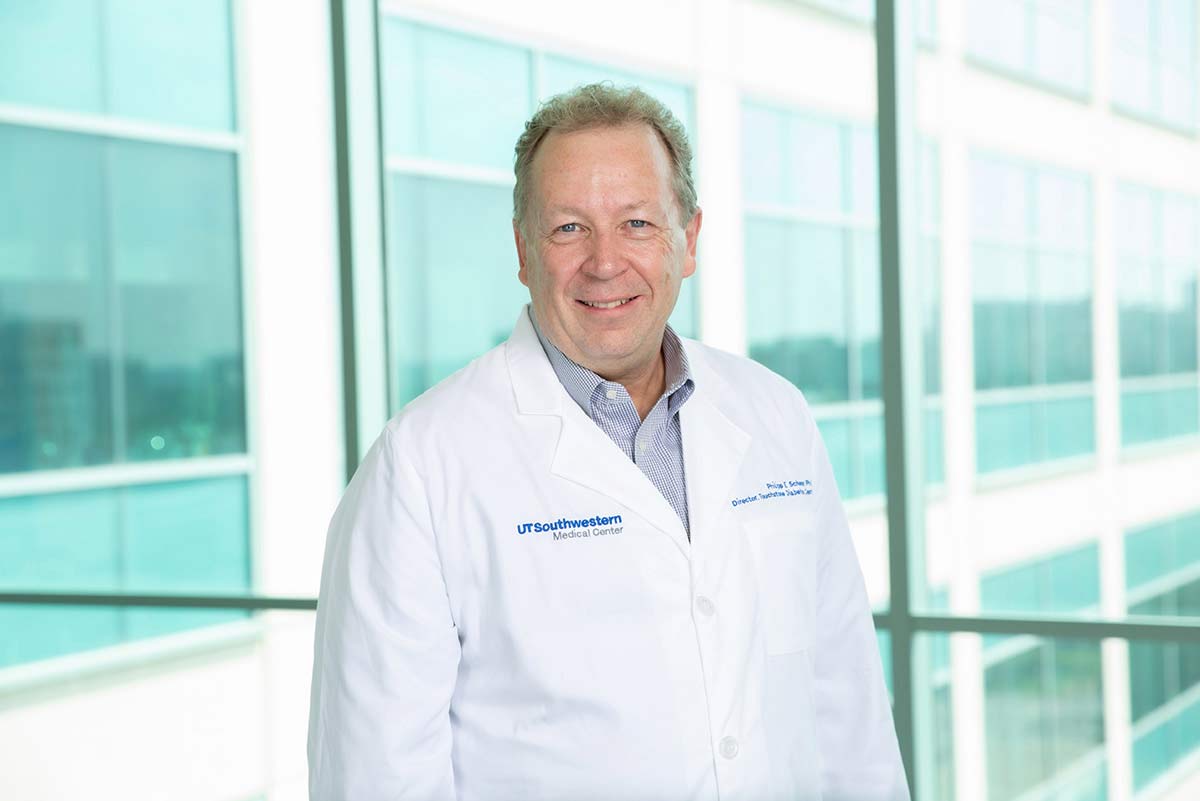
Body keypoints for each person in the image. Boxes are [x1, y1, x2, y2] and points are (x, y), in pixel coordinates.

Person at [308, 83, 908, 801]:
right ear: (523, 249)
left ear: (687, 240)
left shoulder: (777, 415)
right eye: (568, 228)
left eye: (636, 223)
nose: (603, 262)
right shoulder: (421, 466)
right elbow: (376, 774)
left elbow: (848, 710)